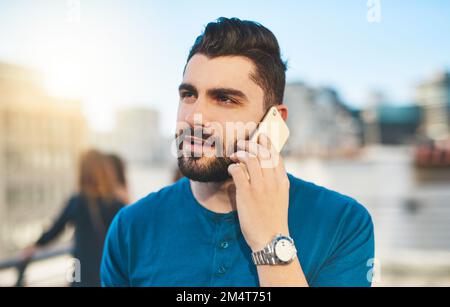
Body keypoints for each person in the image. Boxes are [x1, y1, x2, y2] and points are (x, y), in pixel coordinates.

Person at [101, 17, 374, 287]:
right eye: (188, 95)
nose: (195, 117)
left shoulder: (343, 223)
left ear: (274, 121)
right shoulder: (130, 228)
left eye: (225, 99)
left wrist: (271, 241)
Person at [21, 150, 125, 287]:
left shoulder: (77, 201)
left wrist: (35, 245)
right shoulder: (116, 203)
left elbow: (55, 229)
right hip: (108, 274)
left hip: (82, 274)